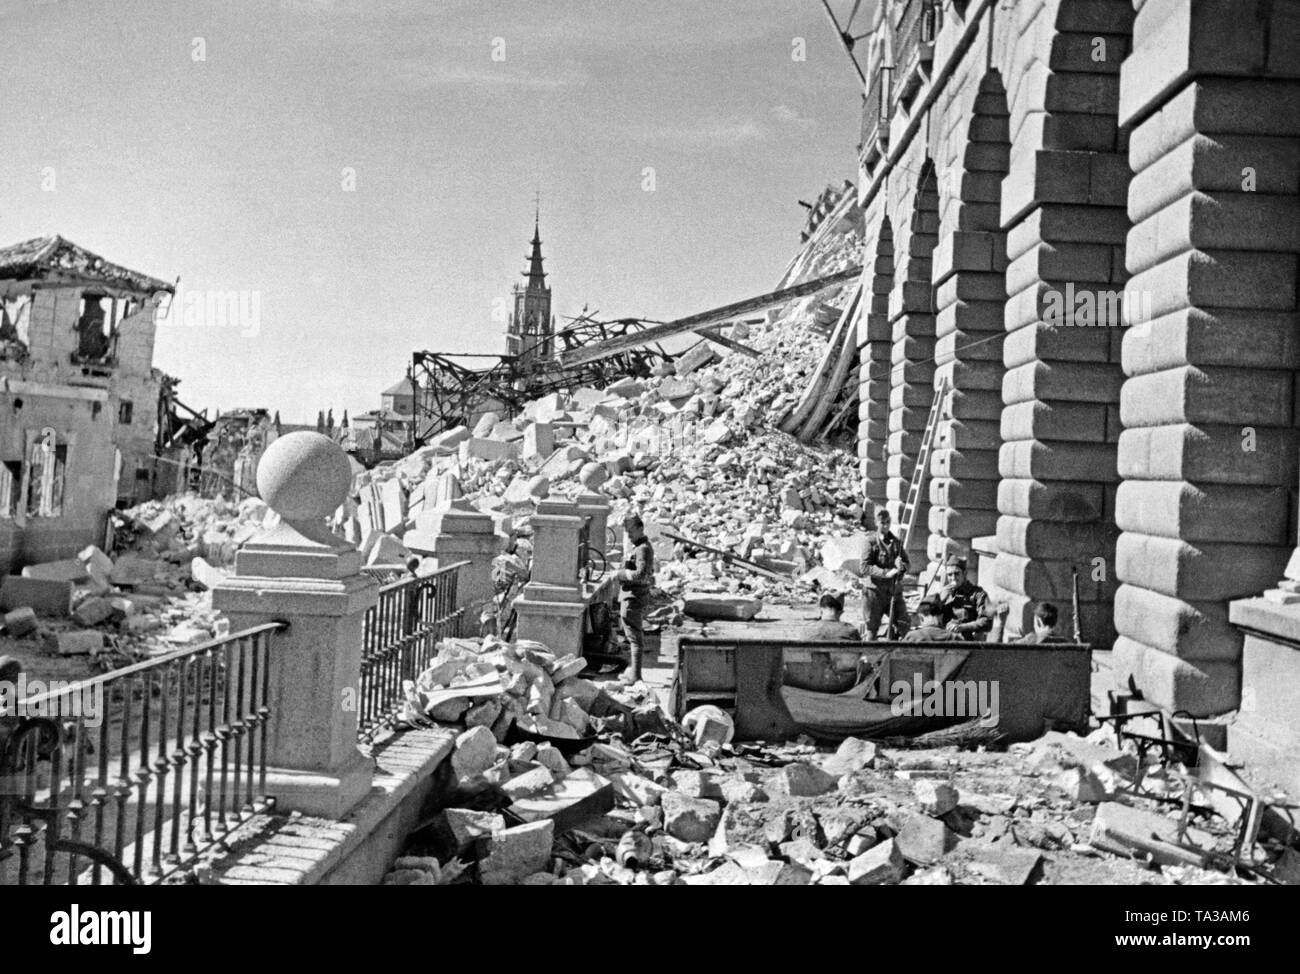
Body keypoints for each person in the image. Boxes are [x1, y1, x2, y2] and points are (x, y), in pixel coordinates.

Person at [616, 513, 654, 682]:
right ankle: (634, 674)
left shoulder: (643, 548)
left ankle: (636, 677)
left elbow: (642, 575)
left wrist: (621, 574)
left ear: (640, 528)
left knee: (635, 639)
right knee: (633, 637)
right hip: (630, 596)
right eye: (627, 531)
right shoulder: (638, 546)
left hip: (634, 597)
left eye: (631, 530)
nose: (629, 534)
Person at [862, 508, 909, 639]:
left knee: (904, 625)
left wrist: (902, 566)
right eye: (882, 522)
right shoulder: (870, 542)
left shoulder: (897, 543)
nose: (886, 525)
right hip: (874, 593)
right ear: (877, 523)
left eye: (888, 522)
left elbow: (907, 564)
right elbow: (864, 567)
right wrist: (884, 573)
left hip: (894, 591)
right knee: (871, 630)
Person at [937, 556, 992, 641]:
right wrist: (941, 601)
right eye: (949, 575)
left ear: (965, 573)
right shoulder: (944, 593)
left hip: (967, 641)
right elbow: (928, 616)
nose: (953, 578)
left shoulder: (978, 594)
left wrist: (962, 627)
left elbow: (986, 621)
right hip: (945, 639)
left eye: (957, 574)